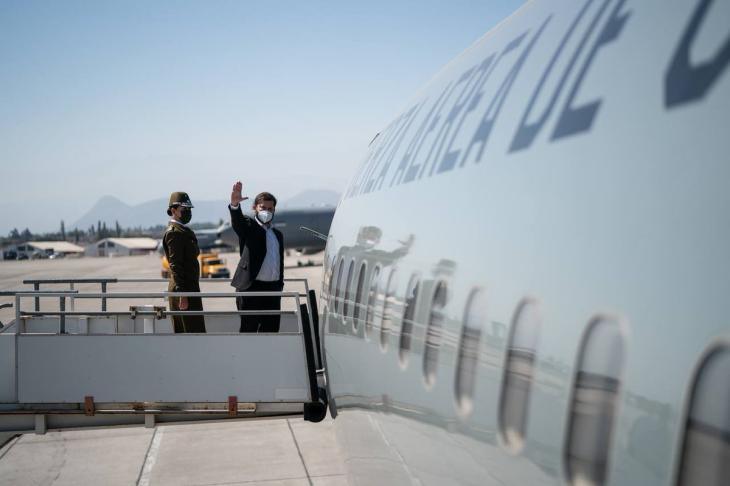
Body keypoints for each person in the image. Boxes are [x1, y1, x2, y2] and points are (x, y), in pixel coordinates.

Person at [229, 181, 285, 332]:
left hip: (272, 291)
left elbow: (279, 263)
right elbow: (238, 222)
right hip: (251, 289)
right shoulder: (249, 226)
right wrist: (235, 205)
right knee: (249, 331)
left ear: (274, 210)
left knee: (271, 330)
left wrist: (279, 286)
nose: (266, 211)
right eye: (263, 208)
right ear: (255, 208)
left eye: (270, 209)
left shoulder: (277, 235)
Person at [162, 192, 206, 333]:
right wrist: (182, 294)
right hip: (183, 289)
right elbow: (175, 265)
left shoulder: (184, 231)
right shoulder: (174, 232)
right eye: (184, 209)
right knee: (189, 333)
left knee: (195, 331)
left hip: (189, 287)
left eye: (189, 209)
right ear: (173, 210)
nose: (188, 212)